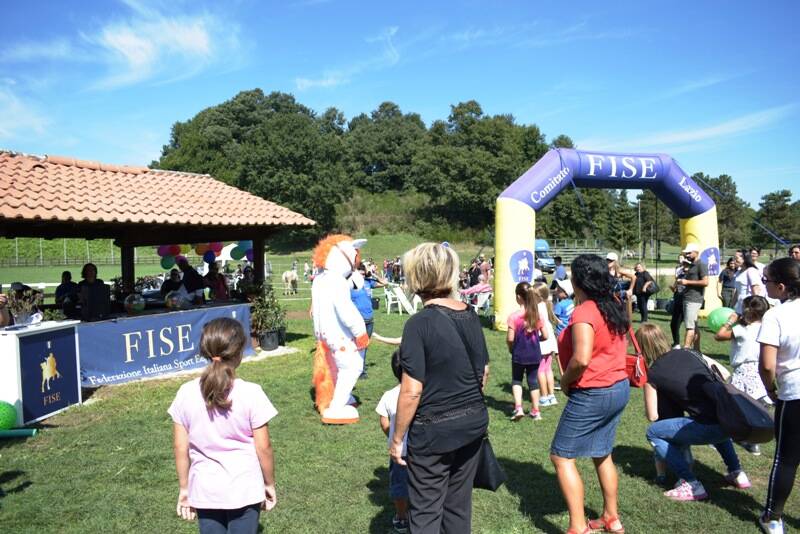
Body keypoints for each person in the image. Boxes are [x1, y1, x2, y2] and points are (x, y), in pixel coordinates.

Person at [390, 243, 490, 533]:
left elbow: (411, 390)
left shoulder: (418, 324)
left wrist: (397, 438)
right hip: (472, 422)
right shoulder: (470, 314)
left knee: (425, 513)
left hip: (434, 432)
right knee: (458, 509)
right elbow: (483, 372)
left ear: (416, 277)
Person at [168, 318, 277, 533]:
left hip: (204, 490)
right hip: (245, 488)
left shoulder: (185, 393)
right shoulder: (252, 393)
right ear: (239, 353)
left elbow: (181, 448)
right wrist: (269, 483)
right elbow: (263, 447)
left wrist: (184, 488)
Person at [551, 254, 630, 534]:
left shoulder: (584, 312)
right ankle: (612, 517)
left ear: (577, 280)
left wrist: (565, 381)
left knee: (561, 456)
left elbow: (581, 359)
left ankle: (578, 527)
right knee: (602, 452)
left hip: (594, 390)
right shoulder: (614, 305)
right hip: (618, 387)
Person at [636, 323, 751, 502]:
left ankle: (690, 483)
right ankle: (737, 472)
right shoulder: (689, 352)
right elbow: (724, 372)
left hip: (709, 427)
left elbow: (653, 416)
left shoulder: (654, 374)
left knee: (653, 432)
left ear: (642, 348)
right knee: (713, 419)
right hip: (729, 418)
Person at [757, 257, 800, 534]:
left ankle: (773, 517)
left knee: (785, 458)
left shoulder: (776, 315)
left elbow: (767, 365)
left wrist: (771, 389)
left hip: (793, 393)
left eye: (767, 281)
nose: (765, 286)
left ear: (782, 287)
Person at [714, 295, 771, 456]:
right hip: (759, 370)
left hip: (744, 371)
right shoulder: (767, 328)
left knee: (731, 404)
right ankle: (753, 441)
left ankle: (724, 436)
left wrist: (731, 320)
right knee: (754, 407)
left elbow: (719, 335)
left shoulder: (742, 330)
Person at [376, 351, 410, 534]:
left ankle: (402, 518)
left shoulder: (388, 395)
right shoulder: (422, 393)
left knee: (399, 486)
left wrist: (393, 436)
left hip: (399, 452)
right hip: (421, 450)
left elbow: (384, 422)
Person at [506, 282, 546, 421]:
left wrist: (511, 347)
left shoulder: (514, 317)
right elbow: (545, 335)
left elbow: (510, 338)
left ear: (518, 297)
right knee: (533, 381)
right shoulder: (537, 314)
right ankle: (536, 411)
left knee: (517, 380)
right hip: (535, 353)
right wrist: (535, 340)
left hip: (519, 353)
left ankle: (518, 408)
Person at [677, 243, 708, 349]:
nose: (687, 255)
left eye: (689, 253)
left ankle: (685, 350)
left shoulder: (701, 264)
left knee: (689, 327)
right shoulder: (692, 264)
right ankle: (697, 350)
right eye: (686, 253)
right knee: (694, 326)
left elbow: (705, 282)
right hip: (688, 298)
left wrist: (686, 282)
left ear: (696, 252)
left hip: (694, 299)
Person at [534, 283, 559, 407]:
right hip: (550, 340)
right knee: (548, 369)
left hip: (542, 340)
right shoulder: (546, 305)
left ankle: (543, 397)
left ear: (538, 296)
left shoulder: (536, 308)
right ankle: (551, 396)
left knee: (540, 370)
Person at [733, 249, 764, 314]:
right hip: (740, 304)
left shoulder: (751, 271)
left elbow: (756, 289)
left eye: (736, 258)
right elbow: (737, 290)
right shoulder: (738, 272)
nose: (734, 261)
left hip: (749, 305)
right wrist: (733, 304)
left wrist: (754, 306)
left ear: (744, 258)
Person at [669, 255, 687, 348]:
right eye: (683, 264)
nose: (684, 266)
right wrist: (673, 288)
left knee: (690, 326)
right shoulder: (679, 274)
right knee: (674, 323)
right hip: (678, 299)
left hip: (687, 301)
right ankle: (676, 343)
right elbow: (675, 288)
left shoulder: (693, 275)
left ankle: (688, 345)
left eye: (686, 264)